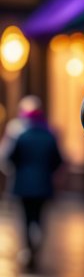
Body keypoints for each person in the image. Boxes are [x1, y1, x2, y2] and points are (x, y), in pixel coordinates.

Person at [0, 95, 62, 264]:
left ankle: (29, 246)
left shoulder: (20, 134)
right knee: (39, 215)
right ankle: (37, 239)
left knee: (26, 217)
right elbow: (57, 159)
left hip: (23, 184)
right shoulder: (49, 134)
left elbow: (10, 157)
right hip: (43, 183)